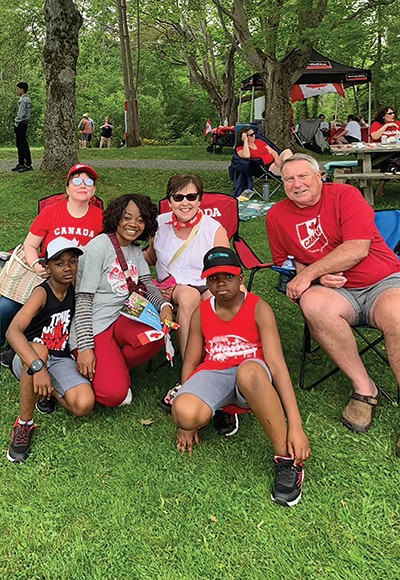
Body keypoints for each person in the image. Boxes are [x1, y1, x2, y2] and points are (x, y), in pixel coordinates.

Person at [266, 153, 400, 442]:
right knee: (312, 303)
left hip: (381, 282)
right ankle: (365, 389)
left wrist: (308, 275)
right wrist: (313, 275)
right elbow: (288, 260)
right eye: (289, 179)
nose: (297, 184)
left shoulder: (345, 195)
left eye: (303, 176)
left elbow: (357, 249)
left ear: (320, 177)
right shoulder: (276, 216)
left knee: (398, 314)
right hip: (334, 293)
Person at [172, 247, 310, 507]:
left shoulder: (259, 308)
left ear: (241, 277)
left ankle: (286, 460)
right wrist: (184, 424)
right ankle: (222, 409)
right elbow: (190, 362)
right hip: (216, 371)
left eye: (228, 276)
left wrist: (296, 426)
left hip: (253, 376)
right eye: (213, 278)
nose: (221, 283)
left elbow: (278, 367)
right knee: (185, 411)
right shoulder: (202, 312)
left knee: (249, 372)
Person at [69, 194, 173, 408]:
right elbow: (83, 300)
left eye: (141, 220)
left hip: (124, 315)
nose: (134, 224)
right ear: (116, 218)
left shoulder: (135, 249)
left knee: (155, 336)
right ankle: (89, 363)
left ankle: (111, 365)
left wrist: (164, 306)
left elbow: (147, 284)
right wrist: (86, 347)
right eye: (127, 217)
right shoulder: (99, 247)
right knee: (115, 395)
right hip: (96, 324)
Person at [143, 174, 231, 424]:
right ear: (169, 201)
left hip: (209, 285)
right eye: (178, 197)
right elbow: (149, 257)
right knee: (189, 296)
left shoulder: (213, 228)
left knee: (206, 302)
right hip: (172, 287)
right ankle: (191, 375)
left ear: (200, 199)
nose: (185, 202)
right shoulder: (159, 224)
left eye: (191, 197)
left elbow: (226, 267)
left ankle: (203, 373)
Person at [6, 237, 95, 463]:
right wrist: (38, 368)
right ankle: (24, 424)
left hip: (60, 357)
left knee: (84, 404)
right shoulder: (42, 293)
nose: (67, 268)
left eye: (72, 262)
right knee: (39, 351)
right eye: (59, 263)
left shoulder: (76, 290)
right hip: (29, 357)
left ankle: (45, 391)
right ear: (47, 267)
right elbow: (13, 331)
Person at [0, 163, 103, 349]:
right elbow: (30, 245)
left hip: (80, 278)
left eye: (88, 181)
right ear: (68, 188)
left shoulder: (101, 218)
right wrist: (37, 267)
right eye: (77, 180)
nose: (83, 184)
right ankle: (4, 339)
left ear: (94, 190)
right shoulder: (52, 212)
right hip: (47, 273)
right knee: (5, 306)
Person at [370, 106, 400, 196]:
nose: (393, 115)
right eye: (390, 113)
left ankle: (382, 185)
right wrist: (386, 126)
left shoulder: (398, 123)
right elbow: (375, 137)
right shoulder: (376, 124)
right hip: (379, 154)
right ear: (383, 116)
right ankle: (382, 184)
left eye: (393, 113)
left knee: (393, 159)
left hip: (396, 151)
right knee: (391, 159)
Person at [12, 82, 32, 173]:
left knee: (22, 144)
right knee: (19, 144)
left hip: (21, 123)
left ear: (22, 89)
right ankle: (21, 163)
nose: (17, 90)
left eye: (18, 88)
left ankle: (27, 164)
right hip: (24, 123)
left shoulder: (23, 100)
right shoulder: (26, 99)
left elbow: (21, 113)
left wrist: (17, 121)